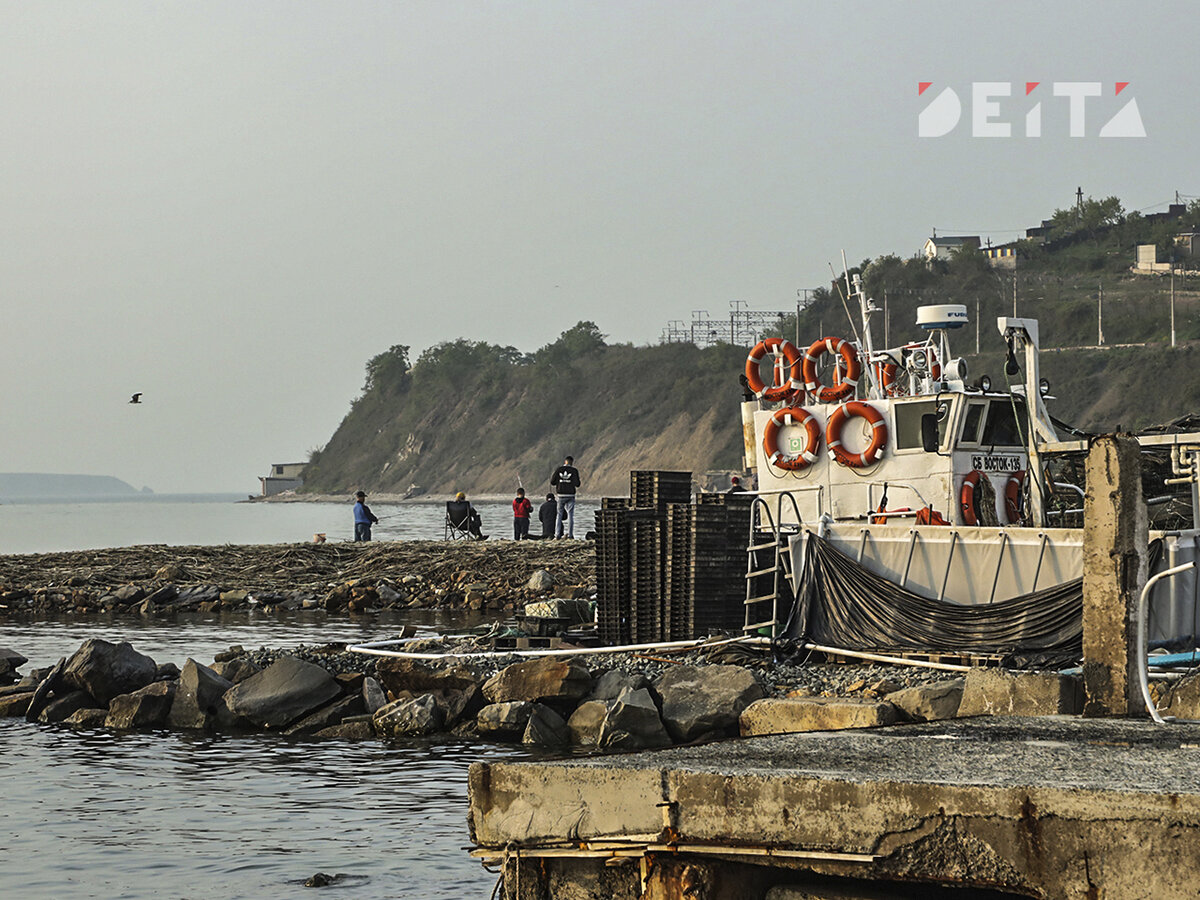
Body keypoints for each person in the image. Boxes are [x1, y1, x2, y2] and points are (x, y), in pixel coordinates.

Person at [550, 455, 581, 538]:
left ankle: (557, 535)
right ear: (572, 463)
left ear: (565, 461)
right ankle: (570, 535)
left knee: (559, 515)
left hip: (561, 494)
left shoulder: (559, 469)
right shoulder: (574, 471)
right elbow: (578, 484)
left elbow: (552, 482)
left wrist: (560, 482)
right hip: (571, 494)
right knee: (570, 515)